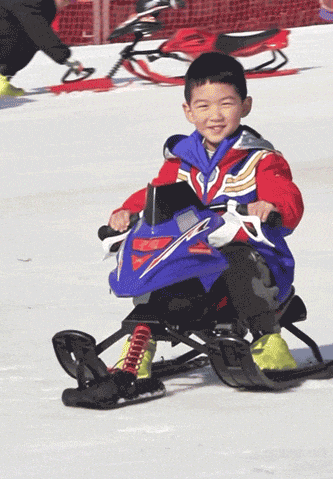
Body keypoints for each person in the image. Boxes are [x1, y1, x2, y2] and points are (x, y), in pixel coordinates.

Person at [107, 51, 304, 376]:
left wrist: (272, 207)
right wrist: (128, 211)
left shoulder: (259, 159)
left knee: (239, 261)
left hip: (255, 259)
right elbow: (156, 194)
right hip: (194, 258)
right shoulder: (180, 162)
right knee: (155, 267)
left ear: (245, 105)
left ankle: (269, 342)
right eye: (203, 106)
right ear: (188, 111)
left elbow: (285, 193)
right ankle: (139, 343)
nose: (215, 115)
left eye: (226, 104)